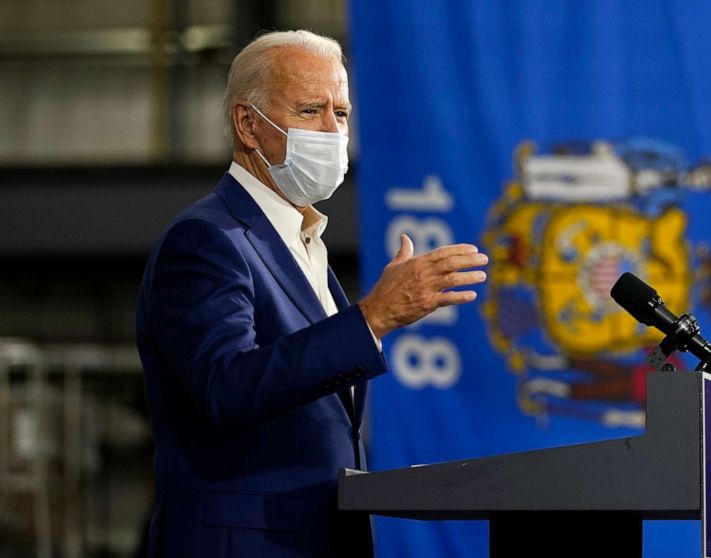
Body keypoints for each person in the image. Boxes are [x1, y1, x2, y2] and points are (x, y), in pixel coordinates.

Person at [135, 30, 487, 557]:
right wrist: (373, 317)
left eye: (341, 114)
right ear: (248, 125)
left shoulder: (304, 245)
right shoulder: (208, 239)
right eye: (309, 110)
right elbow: (225, 388)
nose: (331, 132)